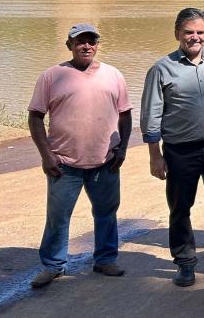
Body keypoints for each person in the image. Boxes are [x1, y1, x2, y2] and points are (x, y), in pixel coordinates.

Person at [141, 7, 204, 287]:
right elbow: (151, 116)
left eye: (200, 32)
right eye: (188, 32)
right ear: (177, 34)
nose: (194, 37)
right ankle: (185, 262)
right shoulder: (162, 69)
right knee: (180, 206)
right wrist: (155, 156)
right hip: (179, 150)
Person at [27, 23, 133, 288]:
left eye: (91, 41)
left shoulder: (113, 75)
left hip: (105, 162)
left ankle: (105, 259)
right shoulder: (52, 76)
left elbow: (126, 114)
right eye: (80, 41)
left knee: (106, 213)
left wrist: (122, 148)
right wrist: (46, 155)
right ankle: (53, 265)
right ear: (69, 45)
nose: (86, 46)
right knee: (58, 216)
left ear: (97, 45)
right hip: (63, 164)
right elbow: (35, 117)